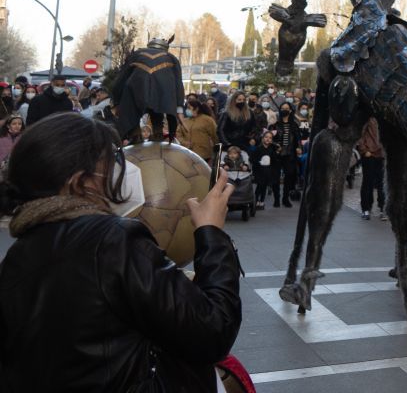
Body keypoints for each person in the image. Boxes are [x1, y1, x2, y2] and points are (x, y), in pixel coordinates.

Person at [0, 113, 241, 391]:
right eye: (111, 162)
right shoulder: (113, 240)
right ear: (82, 181)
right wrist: (211, 233)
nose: (121, 170)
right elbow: (211, 330)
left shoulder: (16, 258)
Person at [357, 117, 386, 221]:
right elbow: (360, 134)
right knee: (367, 182)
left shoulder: (385, 116)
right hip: (369, 154)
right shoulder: (369, 117)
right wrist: (364, 150)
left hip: (382, 154)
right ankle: (366, 208)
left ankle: (383, 208)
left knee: (382, 182)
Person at [274, 103, 301, 206]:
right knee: (276, 177)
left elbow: (298, 138)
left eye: (286, 108)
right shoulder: (275, 125)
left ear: (290, 110)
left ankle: (285, 198)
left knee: (289, 176)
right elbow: (270, 139)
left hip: (290, 153)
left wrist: (299, 148)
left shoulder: (294, 125)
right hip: (278, 153)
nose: (284, 110)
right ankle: (277, 199)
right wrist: (277, 146)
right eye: (282, 108)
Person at [249, 129, 282, 208]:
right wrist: (258, 162)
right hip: (260, 171)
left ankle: (262, 201)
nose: (268, 139)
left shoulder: (272, 149)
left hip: (268, 172)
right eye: (266, 137)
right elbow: (252, 159)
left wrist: (277, 152)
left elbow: (274, 160)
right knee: (259, 186)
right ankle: (256, 200)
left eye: (270, 138)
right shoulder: (258, 149)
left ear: (272, 140)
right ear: (262, 138)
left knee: (264, 187)